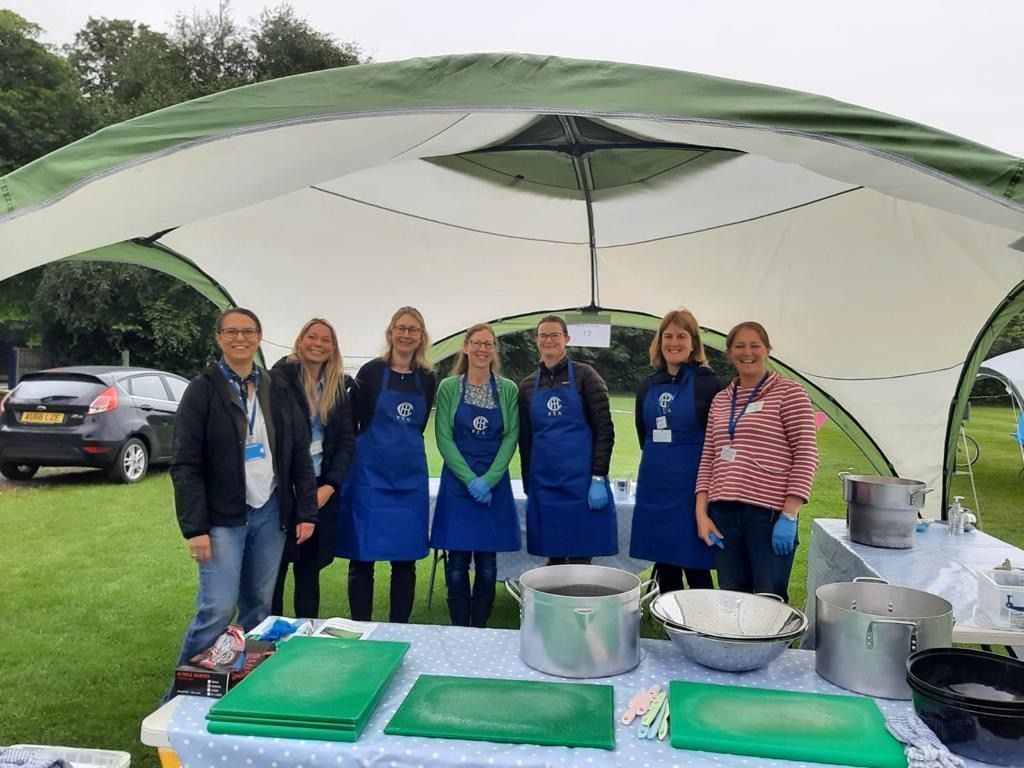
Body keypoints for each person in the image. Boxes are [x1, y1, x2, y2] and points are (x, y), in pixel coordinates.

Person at [170, 307, 317, 670]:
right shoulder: (202, 390)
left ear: (258, 337)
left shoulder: (277, 387)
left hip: (270, 512)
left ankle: (244, 684)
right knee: (218, 607)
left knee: (259, 608)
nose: (240, 338)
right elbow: (185, 463)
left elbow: (299, 452)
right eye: (232, 332)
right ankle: (179, 694)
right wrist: (195, 528)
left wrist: (306, 511)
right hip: (223, 518)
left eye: (248, 331)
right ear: (219, 338)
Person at [694, 321, 819, 602]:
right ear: (729, 353)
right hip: (723, 513)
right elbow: (708, 459)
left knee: (768, 600)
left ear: (768, 350)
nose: (747, 352)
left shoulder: (790, 393)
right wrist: (702, 515)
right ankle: (735, 648)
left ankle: (771, 648)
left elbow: (807, 455)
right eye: (739, 346)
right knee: (731, 600)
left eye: (754, 345)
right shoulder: (721, 399)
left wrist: (789, 514)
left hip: (769, 515)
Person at [337, 307, 437, 622]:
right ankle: (362, 627)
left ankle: (400, 627)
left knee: (405, 561)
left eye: (413, 329)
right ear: (390, 332)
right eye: (401, 328)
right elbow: (353, 423)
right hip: (369, 478)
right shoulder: (371, 373)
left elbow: (419, 425)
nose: (406, 334)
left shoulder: (427, 377)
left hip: (409, 481)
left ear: (421, 336)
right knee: (362, 559)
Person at [431, 323, 520, 627]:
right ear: (465, 347)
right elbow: (443, 436)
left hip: (493, 484)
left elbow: (511, 437)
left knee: (487, 561)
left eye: (488, 344)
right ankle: (459, 625)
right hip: (458, 482)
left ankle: (480, 625)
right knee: (455, 561)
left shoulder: (507, 389)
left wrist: (489, 479)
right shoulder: (448, 387)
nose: (482, 349)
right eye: (476, 343)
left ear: (493, 349)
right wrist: (469, 479)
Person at [630, 309, 724, 593]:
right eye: (667, 336)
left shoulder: (711, 384)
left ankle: (701, 628)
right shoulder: (647, 385)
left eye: (681, 336)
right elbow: (642, 433)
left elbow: (719, 439)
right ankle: (669, 624)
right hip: (656, 486)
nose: (674, 342)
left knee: (696, 566)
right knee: (666, 562)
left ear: (693, 342)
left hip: (693, 488)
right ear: (659, 343)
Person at [270, 318, 356, 618]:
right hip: (283, 490)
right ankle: (269, 643)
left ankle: (306, 638)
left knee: (309, 572)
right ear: (300, 340)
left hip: (321, 487)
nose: (318, 344)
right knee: (274, 572)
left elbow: (346, 443)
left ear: (333, 348)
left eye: (325, 339)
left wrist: (329, 487)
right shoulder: (277, 380)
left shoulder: (341, 387)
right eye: (312, 337)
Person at [518, 314, 616, 565]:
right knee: (554, 562)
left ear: (566, 339)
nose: (549, 340)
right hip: (545, 486)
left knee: (582, 563)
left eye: (555, 335)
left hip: (581, 485)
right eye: (543, 335)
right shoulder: (528, 386)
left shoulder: (587, 376)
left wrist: (598, 477)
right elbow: (525, 439)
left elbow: (605, 429)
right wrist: (529, 483)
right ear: (536, 340)